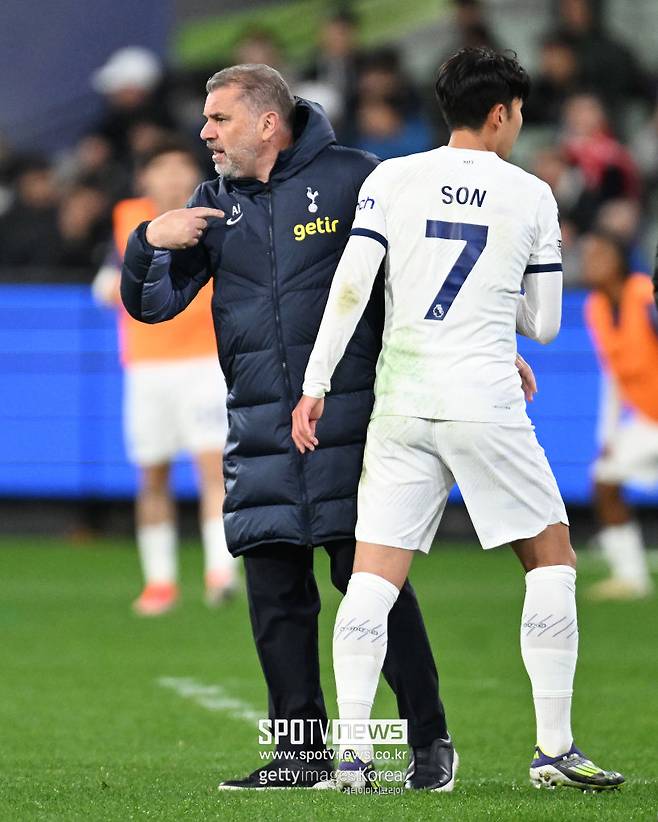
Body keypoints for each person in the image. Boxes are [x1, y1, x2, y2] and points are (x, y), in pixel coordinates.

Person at [292, 47, 624, 792]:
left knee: (373, 578)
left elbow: (352, 285)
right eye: (520, 112)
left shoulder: (390, 178)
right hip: (483, 399)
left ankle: (352, 756)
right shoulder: (530, 193)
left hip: (403, 400)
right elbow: (544, 324)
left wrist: (316, 384)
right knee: (552, 559)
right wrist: (496, 319)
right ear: (501, 113)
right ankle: (554, 750)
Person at [120, 63, 454, 790]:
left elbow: (422, 278)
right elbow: (151, 307)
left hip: (351, 424)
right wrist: (149, 240)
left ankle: (429, 741)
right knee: (275, 599)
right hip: (261, 430)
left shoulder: (357, 178)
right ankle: (300, 758)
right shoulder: (211, 206)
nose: (205, 133)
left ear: (267, 122)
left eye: (219, 119)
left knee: (371, 585)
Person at [93, 138, 236, 615]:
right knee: (152, 474)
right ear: (145, 177)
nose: (173, 177)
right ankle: (159, 583)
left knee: (213, 468)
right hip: (147, 366)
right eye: (162, 167)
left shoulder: (215, 214)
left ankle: (221, 573)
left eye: (181, 167)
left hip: (204, 360)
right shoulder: (128, 219)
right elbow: (105, 283)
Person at [582, 230, 656, 599]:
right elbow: (612, 376)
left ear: (620, 259)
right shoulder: (595, 307)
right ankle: (631, 576)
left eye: (600, 254)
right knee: (604, 479)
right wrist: (607, 436)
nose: (590, 262)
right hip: (648, 420)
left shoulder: (645, 295)